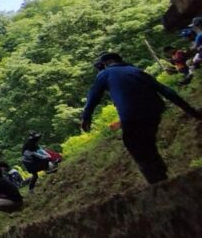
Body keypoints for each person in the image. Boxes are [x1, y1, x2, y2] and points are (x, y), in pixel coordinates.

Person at [82, 51, 202, 184]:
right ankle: (161, 175)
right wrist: (191, 111)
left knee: (135, 145)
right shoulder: (136, 70)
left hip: (131, 115)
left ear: (105, 63)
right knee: (147, 142)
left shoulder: (104, 74)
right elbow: (166, 91)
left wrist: (86, 117)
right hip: (155, 112)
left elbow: (93, 97)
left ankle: (158, 182)